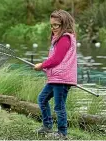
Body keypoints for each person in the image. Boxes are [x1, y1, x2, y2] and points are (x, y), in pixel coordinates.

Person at [34, 9, 77, 139]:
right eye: (51, 25)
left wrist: (42, 65)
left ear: (64, 24)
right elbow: (55, 59)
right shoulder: (56, 38)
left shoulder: (65, 38)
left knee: (59, 106)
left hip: (62, 79)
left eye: (56, 25)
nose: (53, 28)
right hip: (55, 78)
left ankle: (62, 133)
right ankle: (47, 126)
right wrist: (46, 67)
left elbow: (57, 59)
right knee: (42, 99)